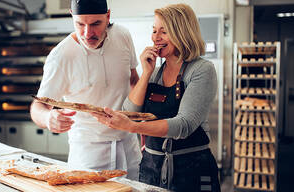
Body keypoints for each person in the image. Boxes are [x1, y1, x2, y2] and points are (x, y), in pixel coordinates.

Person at [92, 3, 221, 191]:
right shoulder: (155, 73)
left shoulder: (201, 69)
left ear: (182, 32)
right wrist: (145, 73)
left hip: (191, 170)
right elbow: (130, 112)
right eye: (154, 31)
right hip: (152, 168)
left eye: (164, 32)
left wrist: (133, 127)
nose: (156, 38)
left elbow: (184, 125)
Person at [30, 0, 141, 180]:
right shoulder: (61, 56)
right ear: (72, 16)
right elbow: (37, 107)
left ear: (108, 16)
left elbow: (134, 82)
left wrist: (142, 128)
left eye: (96, 24)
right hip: (88, 155)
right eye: (80, 24)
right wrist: (48, 118)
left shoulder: (123, 35)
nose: (88, 33)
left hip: (129, 147)